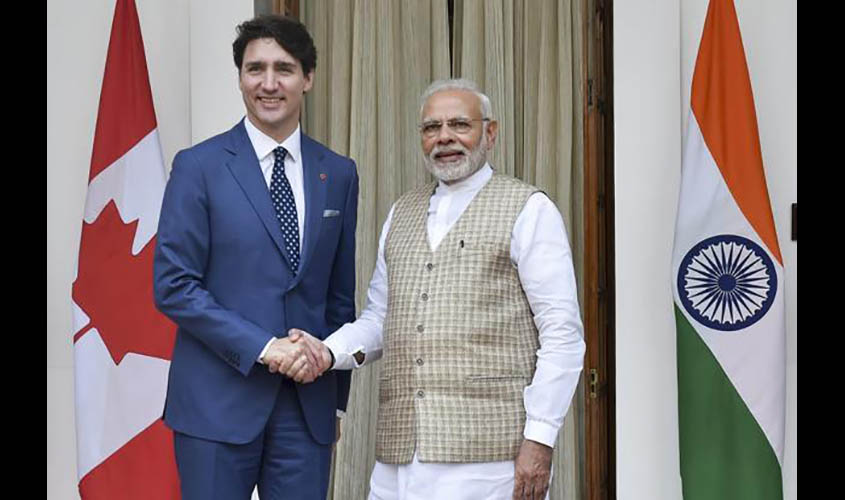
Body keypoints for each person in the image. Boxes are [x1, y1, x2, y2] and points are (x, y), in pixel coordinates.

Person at [289, 78, 586, 500]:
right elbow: (380, 320)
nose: (444, 137)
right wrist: (325, 352)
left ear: (490, 132)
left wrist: (540, 439)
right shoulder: (402, 212)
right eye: (431, 128)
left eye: (459, 124)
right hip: (398, 458)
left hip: (490, 460)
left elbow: (562, 335)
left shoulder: (529, 208)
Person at [153, 15, 358, 500]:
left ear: (308, 78)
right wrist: (266, 348)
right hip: (216, 406)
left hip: (307, 411)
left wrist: (334, 404)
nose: (269, 84)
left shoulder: (340, 173)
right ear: (240, 77)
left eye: (284, 69)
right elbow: (174, 286)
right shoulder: (198, 166)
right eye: (255, 69)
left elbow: (338, 296)